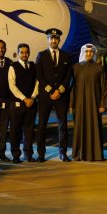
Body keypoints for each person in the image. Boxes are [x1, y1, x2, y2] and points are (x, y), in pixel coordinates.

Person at [35, 28, 74, 162]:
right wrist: (51, 91)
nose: (53, 40)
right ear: (48, 40)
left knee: (63, 126)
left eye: (56, 38)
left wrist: (60, 90)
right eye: (51, 38)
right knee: (42, 125)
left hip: (61, 97)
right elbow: (39, 75)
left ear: (59, 40)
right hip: (46, 96)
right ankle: (41, 153)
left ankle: (63, 152)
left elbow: (68, 75)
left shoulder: (66, 56)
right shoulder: (41, 55)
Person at [69, 43, 107, 161]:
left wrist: (103, 104)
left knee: (94, 127)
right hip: (79, 104)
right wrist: (71, 104)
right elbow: (72, 88)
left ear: (94, 53)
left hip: (94, 104)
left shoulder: (99, 68)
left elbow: (104, 87)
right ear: (83, 53)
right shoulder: (75, 68)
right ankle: (79, 154)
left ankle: (95, 154)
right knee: (79, 128)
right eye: (86, 51)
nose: (89, 53)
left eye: (91, 52)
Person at [8, 43, 39, 163]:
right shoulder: (13, 67)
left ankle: (28, 154)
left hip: (31, 103)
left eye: (26, 52)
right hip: (17, 105)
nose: (24, 54)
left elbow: (37, 82)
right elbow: (12, 86)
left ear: (29, 53)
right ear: (18, 53)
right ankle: (16, 155)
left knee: (29, 131)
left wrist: (32, 97)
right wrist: (25, 99)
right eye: (22, 52)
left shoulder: (33, 66)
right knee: (15, 131)